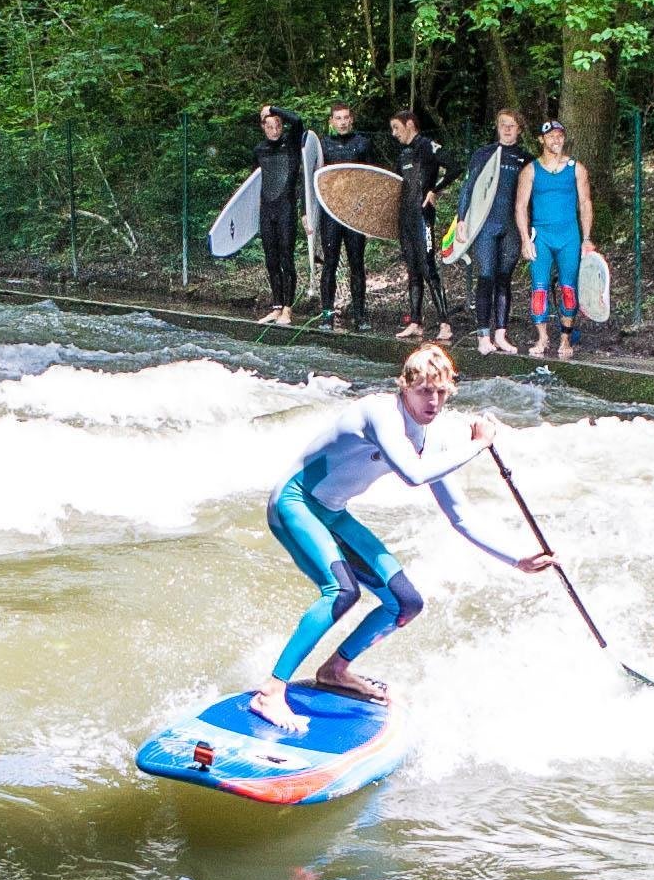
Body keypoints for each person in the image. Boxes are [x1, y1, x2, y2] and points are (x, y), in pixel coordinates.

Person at [248, 342, 554, 729]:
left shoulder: (431, 439)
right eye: (424, 390)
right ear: (405, 387)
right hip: (295, 503)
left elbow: (460, 516)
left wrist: (517, 559)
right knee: (341, 591)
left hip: (332, 513)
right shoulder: (380, 414)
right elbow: (413, 474)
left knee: (405, 603)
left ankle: (335, 670)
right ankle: (271, 691)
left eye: (441, 391)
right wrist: (478, 445)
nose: (433, 401)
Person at [443, 109, 529, 356]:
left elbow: (530, 198)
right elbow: (468, 188)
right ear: (497, 127)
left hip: (511, 226)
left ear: (519, 129)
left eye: (512, 125)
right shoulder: (483, 154)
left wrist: (529, 231)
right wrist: (462, 219)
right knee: (486, 275)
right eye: (503, 124)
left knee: (504, 279)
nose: (507, 129)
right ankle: (483, 336)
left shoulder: (526, 159)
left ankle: (500, 334)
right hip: (486, 225)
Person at [521, 118, 596, 360]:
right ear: (541, 139)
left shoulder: (576, 168)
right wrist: (525, 239)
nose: (556, 139)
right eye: (551, 136)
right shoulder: (531, 170)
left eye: (560, 135)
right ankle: (542, 337)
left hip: (569, 236)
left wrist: (586, 238)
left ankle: (565, 338)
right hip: (541, 236)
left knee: (568, 288)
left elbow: (585, 203)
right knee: (539, 288)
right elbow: (520, 206)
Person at [307, 102, 377, 330]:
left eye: (346, 117)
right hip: (330, 213)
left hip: (354, 214)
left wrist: (369, 214)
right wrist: (306, 212)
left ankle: (360, 316)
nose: (343, 122)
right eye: (338, 118)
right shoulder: (322, 146)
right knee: (330, 263)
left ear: (352, 119)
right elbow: (310, 180)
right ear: (331, 121)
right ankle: (327, 315)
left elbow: (372, 181)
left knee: (357, 263)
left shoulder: (363, 144)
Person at [387, 107, 450, 342]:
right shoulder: (403, 154)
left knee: (427, 267)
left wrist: (435, 189)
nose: (394, 133)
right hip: (405, 218)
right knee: (412, 270)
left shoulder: (428, 146)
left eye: (396, 128)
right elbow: (394, 186)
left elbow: (455, 166)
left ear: (410, 125)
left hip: (423, 216)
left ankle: (445, 324)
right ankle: (415, 322)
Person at [250, 105, 306, 325]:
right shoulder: (259, 149)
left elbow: (298, 120)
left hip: (286, 209)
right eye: (269, 126)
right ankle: (276, 306)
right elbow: (254, 182)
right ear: (263, 127)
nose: (274, 131)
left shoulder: (291, 144)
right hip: (267, 210)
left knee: (286, 258)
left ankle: (288, 309)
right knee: (271, 259)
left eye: (278, 126)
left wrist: (272, 109)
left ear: (282, 126)